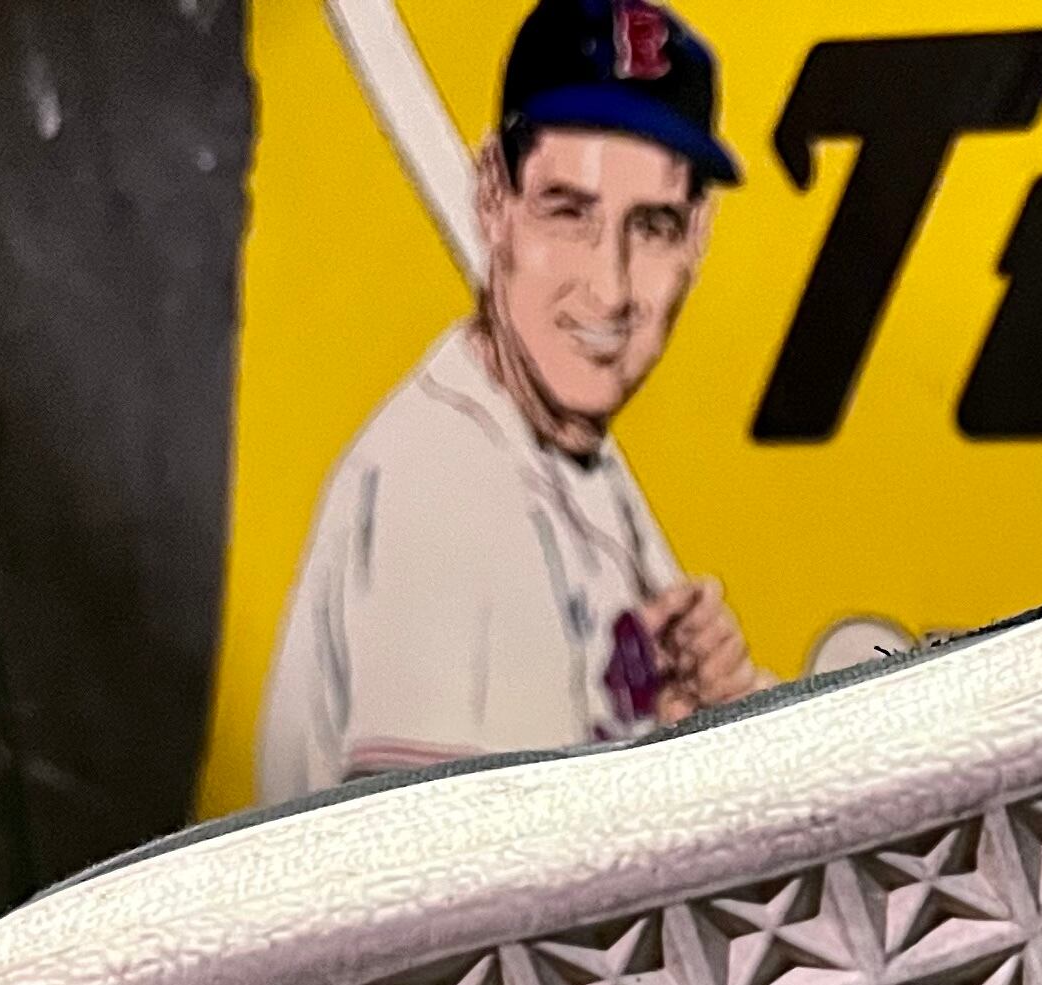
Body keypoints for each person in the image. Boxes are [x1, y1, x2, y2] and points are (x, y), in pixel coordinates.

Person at [257, 0, 765, 803]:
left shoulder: (553, 444)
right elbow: (463, 861)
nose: (610, 288)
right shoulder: (446, 488)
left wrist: (697, 717)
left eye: (653, 227)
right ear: (493, 195)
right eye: (569, 213)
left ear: (697, 235)